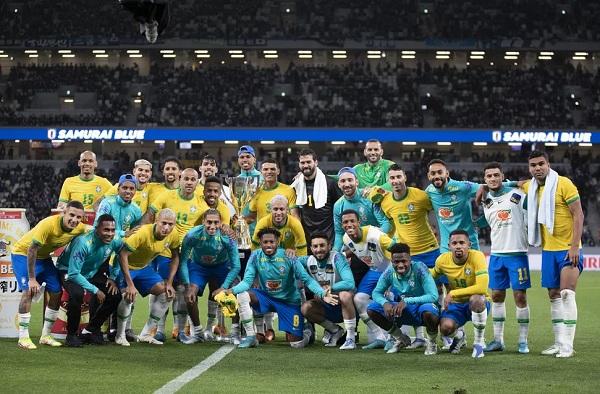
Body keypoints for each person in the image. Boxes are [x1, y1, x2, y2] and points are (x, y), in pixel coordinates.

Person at [223, 228, 329, 349]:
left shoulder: (288, 256)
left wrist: (322, 293)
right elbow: (247, 282)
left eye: (271, 242)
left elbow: (307, 279)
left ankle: (307, 331)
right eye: (265, 242)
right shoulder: (255, 256)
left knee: (296, 344)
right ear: (260, 243)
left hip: (288, 302)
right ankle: (251, 336)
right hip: (266, 298)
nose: (268, 245)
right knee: (242, 294)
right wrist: (231, 291)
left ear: (277, 242)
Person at [523, 151, 584, 358]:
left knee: (567, 294)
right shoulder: (531, 187)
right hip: (548, 250)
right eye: (533, 165)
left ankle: (568, 345)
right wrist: (485, 187)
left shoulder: (564, 183)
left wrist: (575, 245)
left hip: (568, 248)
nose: (537, 168)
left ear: (548, 164)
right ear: (529, 168)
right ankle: (559, 342)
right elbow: (513, 183)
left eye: (541, 163)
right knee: (553, 295)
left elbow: (579, 213)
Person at [374, 163, 441, 348]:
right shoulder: (386, 201)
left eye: (398, 177)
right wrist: (380, 236)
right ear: (389, 181)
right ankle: (417, 337)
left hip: (430, 249)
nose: (395, 181)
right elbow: (390, 224)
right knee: (409, 291)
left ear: (405, 178)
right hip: (408, 254)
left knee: (437, 291)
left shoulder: (420, 195)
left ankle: (447, 333)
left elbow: (439, 211)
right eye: (392, 178)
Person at [11, 201, 88, 349]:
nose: (74, 220)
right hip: (23, 254)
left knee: (56, 291)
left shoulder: (79, 228)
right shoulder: (48, 225)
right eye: (71, 215)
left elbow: (95, 231)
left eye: (79, 217)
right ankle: (23, 337)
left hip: (44, 258)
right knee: (28, 291)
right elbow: (32, 250)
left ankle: (45, 335)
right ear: (63, 213)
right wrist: (32, 279)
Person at [144, 168, 204, 341]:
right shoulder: (166, 196)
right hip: (166, 252)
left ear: (197, 182)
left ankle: (180, 330)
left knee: (182, 290)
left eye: (193, 179)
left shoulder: (200, 202)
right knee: (163, 289)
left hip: (188, 255)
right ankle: (159, 330)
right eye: (186, 179)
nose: (189, 182)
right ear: (180, 179)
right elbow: (150, 214)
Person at [477, 162, 531, 354]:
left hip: (517, 254)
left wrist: (514, 183)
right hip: (497, 255)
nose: (492, 178)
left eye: (496, 175)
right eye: (489, 176)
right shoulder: (486, 201)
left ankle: (523, 341)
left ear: (502, 176)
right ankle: (498, 340)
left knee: (520, 297)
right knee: (497, 296)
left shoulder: (517, 194)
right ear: (485, 180)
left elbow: (531, 184)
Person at [114, 208, 180, 346]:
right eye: (164, 223)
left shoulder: (173, 235)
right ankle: (120, 335)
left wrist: (169, 282)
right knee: (129, 295)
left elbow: (175, 257)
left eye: (170, 224)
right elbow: (122, 255)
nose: (167, 227)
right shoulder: (143, 232)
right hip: (124, 266)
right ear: (157, 221)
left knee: (167, 294)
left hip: (143, 268)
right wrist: (130, 284)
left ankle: (146, 334)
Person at [56, 214, 123, 347]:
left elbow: (121, 255)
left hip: (91, 272)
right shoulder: (83, 242)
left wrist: (112, 277)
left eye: (112, 230)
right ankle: (71, 335)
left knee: (115, 295)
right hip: (68, 270)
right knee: (77, 293)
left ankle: (89, 330)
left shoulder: (115, 240)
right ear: (97, 229)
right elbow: (74, 273)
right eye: (106, 230)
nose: (110, 234)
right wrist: (95, 290)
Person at [178, 209, 240, 344]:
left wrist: (224, 288)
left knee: (232, 292)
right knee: (189, 295)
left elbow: (236, 266)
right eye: (209, 222)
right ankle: (198, 333)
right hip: (199, 267)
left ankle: (235, 333)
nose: (212, 226)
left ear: (221, 223)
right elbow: (183, 262)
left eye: (216, 222)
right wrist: (187, 285)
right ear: (203, 222)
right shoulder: (192, 235)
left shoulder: (228, 237)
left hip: (221, 267)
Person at [367, 243, 440, 355]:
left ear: (410, 259)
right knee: (372, 309)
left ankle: (431, 343)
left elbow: (433, 296)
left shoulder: (420, 268)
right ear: (392, 261)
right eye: (396, 262)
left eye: (404, 261)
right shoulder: (389, 271)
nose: (400, 265)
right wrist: (385, 302)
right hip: (401, 310)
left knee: (429, 312)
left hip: (421, 308)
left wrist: (406, 301)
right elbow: (376, 292)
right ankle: (400, 338)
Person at [430, 230, 489, 358]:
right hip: (457, 305)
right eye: (454, 243)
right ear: (449, 246)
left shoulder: (477, 256)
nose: (458, 246)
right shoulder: (442, 260)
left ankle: (478, 344)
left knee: (476, 299)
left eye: (462, 243)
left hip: (477, 302)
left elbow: (482, 287)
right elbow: (430, 276)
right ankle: (459, 336)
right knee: (445, 329)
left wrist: (453, 293)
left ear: (469, 245)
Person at [340, 209, 393, 349]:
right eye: (346, 222)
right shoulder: (345, 238)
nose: (349, 224)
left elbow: (397, 250)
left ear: (359, 222)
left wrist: (391, 280)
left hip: (389, 269)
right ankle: (380, 337)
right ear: (342, 225)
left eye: (352, 221)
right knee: (358, 299)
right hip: (374, 271)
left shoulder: (375, 235)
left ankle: (394, 338)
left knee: (391, 297)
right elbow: (354, 248)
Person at [298, 233, 357, 350]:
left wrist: (330, 288)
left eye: (322, 245)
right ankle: (335, 330)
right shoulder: (307, 260)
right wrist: (287, 254)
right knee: (306, 308)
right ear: (310, 248)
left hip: (346, 306)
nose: (318, 250)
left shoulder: (338, 258)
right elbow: (290, 262)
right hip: (326, 305)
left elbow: (350, 283)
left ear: (329, 246)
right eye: (315, 246)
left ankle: (351, 338)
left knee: (345, 295)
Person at [425, 159, 480, 252]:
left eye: (440, 172)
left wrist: (511, 184)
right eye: (433, 173)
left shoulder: (463, 187)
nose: (437, 176)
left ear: (447, 173)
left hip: (469, 246)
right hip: (447, 248)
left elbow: (487, 187)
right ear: (429, 176)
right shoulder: (429, 191)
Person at [333, 167, 392, 252]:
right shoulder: (338, 206)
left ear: (356, 182)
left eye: (350, 180)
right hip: (357, 246)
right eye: (343, 181)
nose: (346, 184)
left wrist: (375, 238)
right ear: (339, 184)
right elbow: (339, 233)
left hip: (376, 243)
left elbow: (385, 223)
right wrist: (335, 251)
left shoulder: (369, 196)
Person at [291, 148, 342, 243]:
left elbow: (340, 210)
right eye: (302, 163)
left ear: (316, 162)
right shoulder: (296, 185)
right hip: (307, 238)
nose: (305, 165)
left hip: (328, 238)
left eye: (308, 162)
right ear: (299, 164)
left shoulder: (330, 184)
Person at [245, 158, 298, 224]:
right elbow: (252, 217)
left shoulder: (288, 190)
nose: (269, 172)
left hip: (283, 233)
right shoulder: (256, 192)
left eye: (272, 169)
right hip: (263, 233)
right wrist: (239, 221)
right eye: (265, 169)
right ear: (261, 172)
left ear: (278, 171)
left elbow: (295, 217)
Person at [95, 174, 143, 238]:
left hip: (122, 244)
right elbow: (99, 227)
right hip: (103, 240)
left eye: (131, 189)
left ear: (135, 191)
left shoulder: (136, 209)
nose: (128, 191)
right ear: (118, 189)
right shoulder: (107, 203)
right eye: (125, 188)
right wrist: (123, 233)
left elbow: (134, 232)